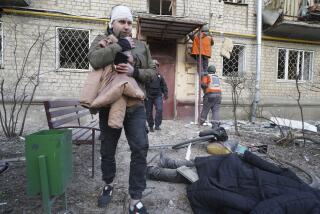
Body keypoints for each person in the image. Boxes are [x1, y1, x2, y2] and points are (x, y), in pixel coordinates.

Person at [88, 5, 156, 214]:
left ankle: (135, 198)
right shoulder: (102, 39)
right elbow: (94, 59)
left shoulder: (141, 46)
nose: (127, 26)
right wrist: (120, 46)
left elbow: (152, 73)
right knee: (108, 150)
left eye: (129, 22)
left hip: (135, 107)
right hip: (109, 107)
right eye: (122, 22)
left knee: (140, 148)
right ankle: (108, 184)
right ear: (112, 23)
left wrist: (135, 71)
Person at [145, 59, 168, 132]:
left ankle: (157, 125)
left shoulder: (159, 75)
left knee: (160, 109)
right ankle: (151, 126)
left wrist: (165, 94)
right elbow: (142, 85)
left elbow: (164, 85)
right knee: (148, 112)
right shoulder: (146, 75)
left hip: (157, 95)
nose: (155, 67)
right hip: (148, 96)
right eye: (154, 66)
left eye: (156, 66)